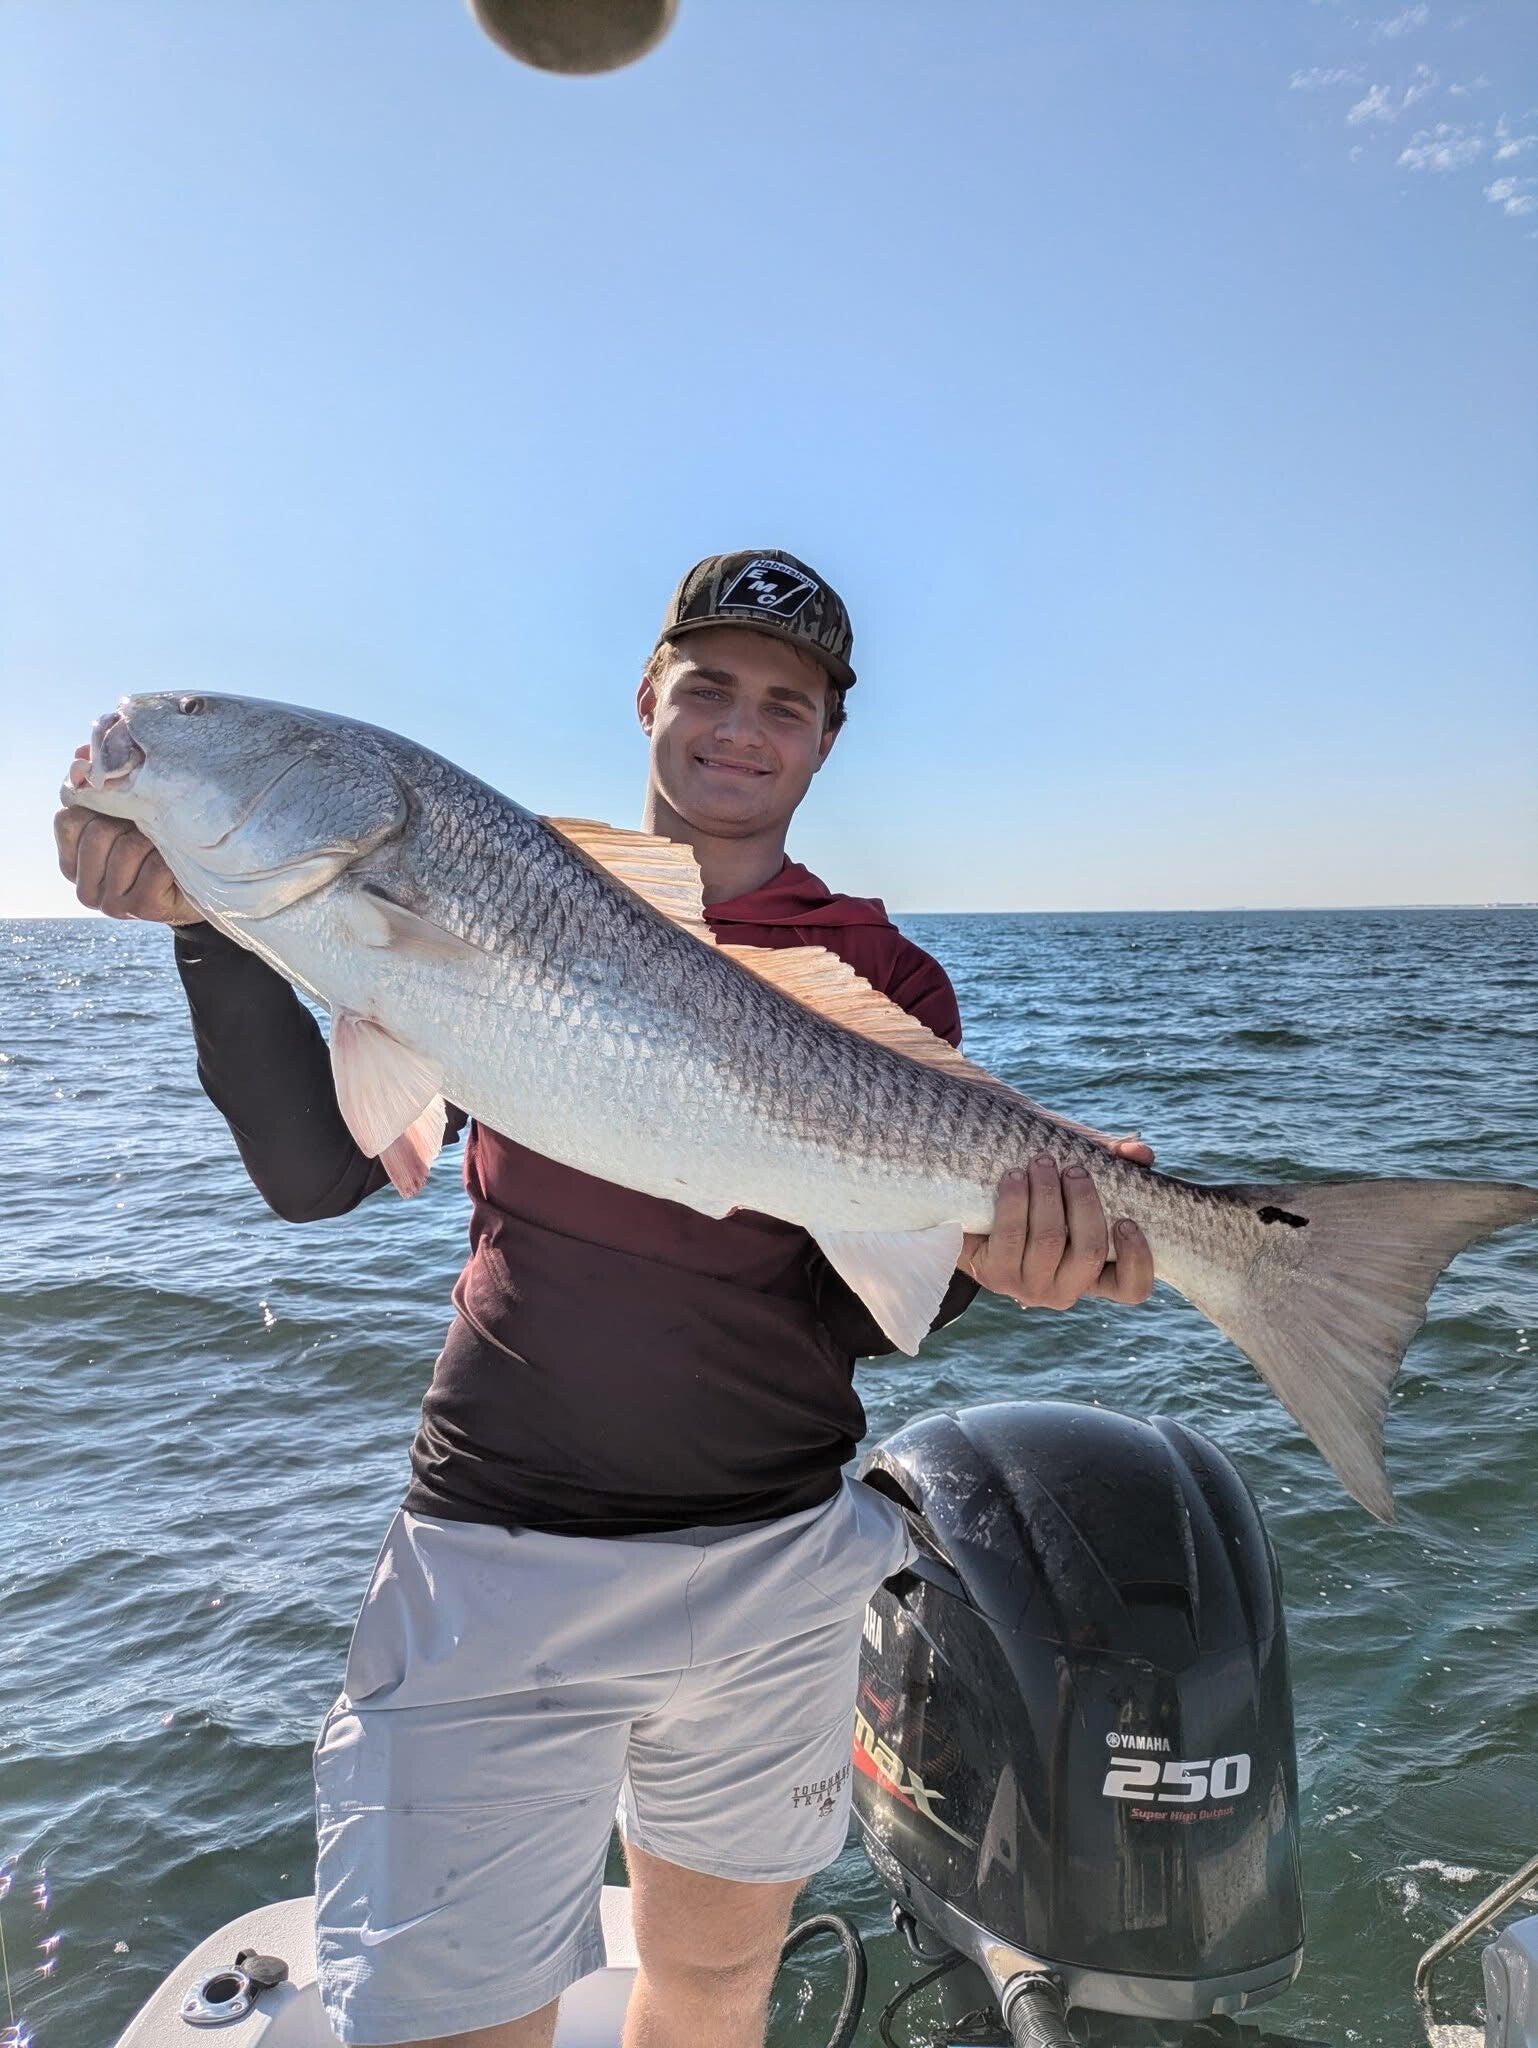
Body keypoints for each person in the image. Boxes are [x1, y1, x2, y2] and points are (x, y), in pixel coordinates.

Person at [56, 550, 1155, 2048]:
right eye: (708, 686)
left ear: (826, 742)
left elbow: (844, 1315)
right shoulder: (494, 881)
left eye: (786, 705)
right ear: (648, 698)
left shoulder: (882, 974)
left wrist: (991, 1265)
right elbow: (316, 1176)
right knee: (452, 2023)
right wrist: (207, 923)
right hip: (499, 1552)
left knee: (712, 1981)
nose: (740, 728)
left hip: (778, 1557)